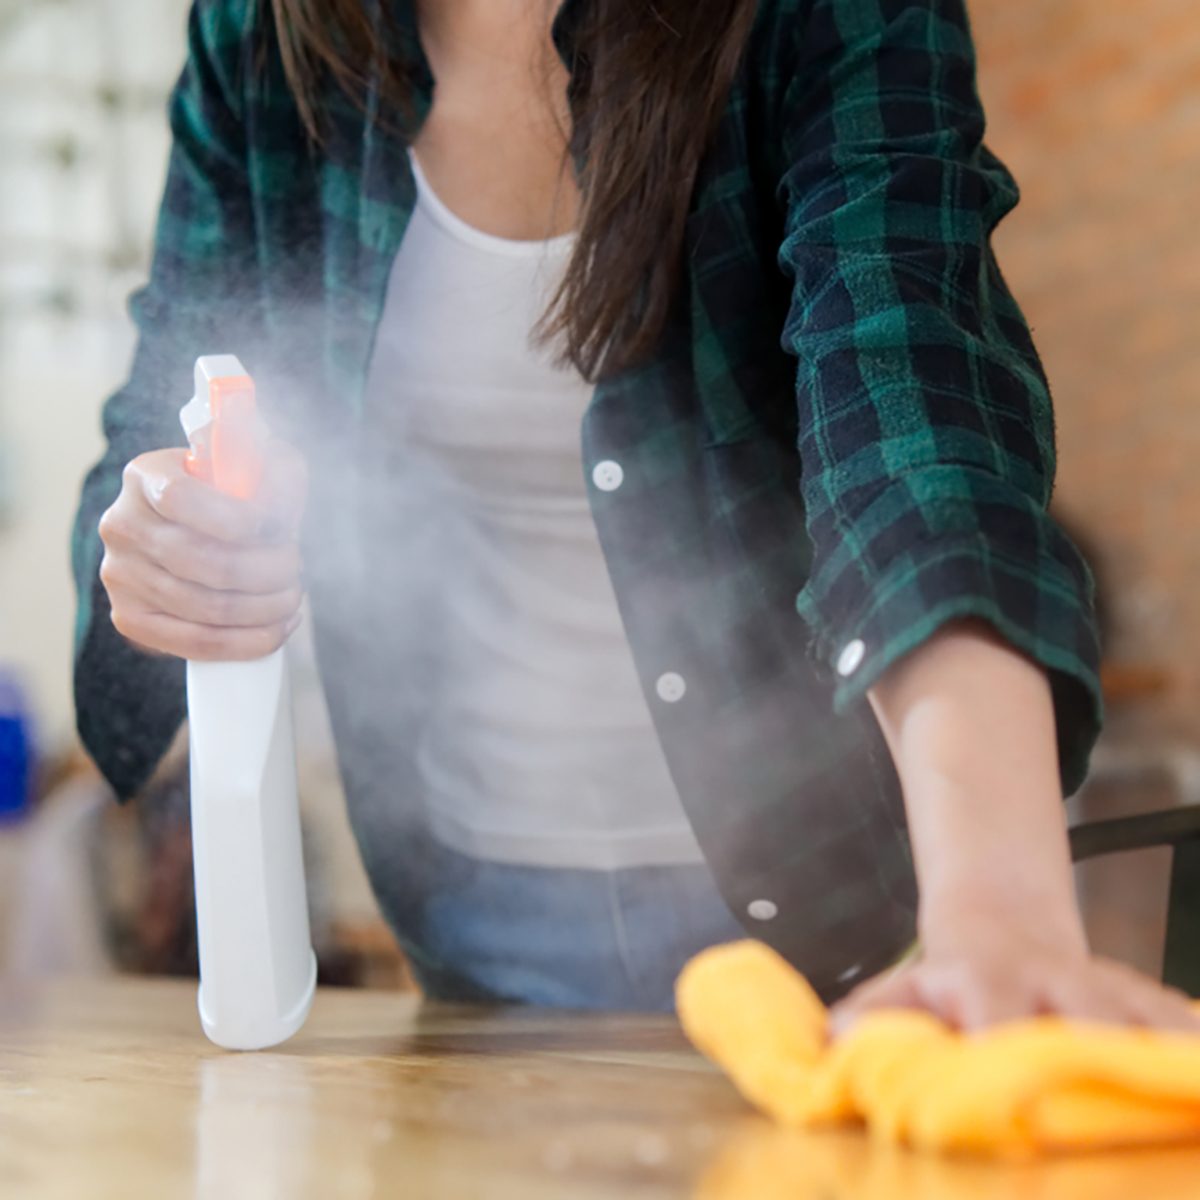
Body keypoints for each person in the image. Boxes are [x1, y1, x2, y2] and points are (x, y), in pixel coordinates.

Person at [71, 0, 1197, 1029]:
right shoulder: (262, 38)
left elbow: (913, 427)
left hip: (822, 915)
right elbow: (154, 414)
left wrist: (996, 905)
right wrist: (161, 544)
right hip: (460, 912)